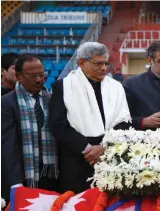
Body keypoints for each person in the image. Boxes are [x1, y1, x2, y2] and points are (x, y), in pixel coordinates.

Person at [49, 42, 131, 193]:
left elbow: (124, 121)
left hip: (110, 155)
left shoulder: (116, 87)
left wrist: (103, 147)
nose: (104, 68)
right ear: (81, 63)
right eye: (98, 64)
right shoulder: (63, 87)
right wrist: (87, 149)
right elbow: (58, 124)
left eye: (106, 63)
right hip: (76, 158)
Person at [1, 54, 59, 202]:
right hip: (23, 176)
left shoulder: (53, 99)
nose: (39, 80)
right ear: (19, 76)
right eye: (33, 76)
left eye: (42, 75)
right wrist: (16, 182)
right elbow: (8, 145)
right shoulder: (7, 103)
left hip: (51, 175)